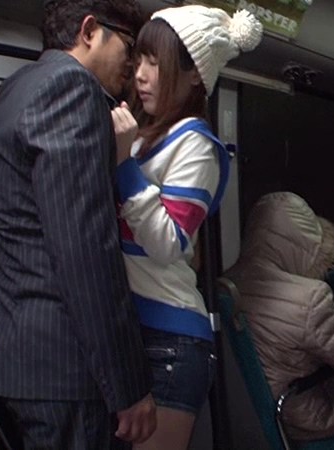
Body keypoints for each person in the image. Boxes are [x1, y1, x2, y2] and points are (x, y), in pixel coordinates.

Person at [0, 1, 156, 448]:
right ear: (89, 31)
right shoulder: (73, 88)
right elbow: (86, 251)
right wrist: (128, 385)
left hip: (23, 359)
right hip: (67, 367)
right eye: (128, 46)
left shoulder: (18, 86)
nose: (132, 65)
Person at [111, 5, 262, 450]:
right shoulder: (143, 136)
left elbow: (169, 243)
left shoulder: (196, 144)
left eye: (155, 63)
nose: (140, 74)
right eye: (139, 59)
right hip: (135, 328)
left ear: (194, 74)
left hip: (170, 337)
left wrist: (123, 167)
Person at [223, 192, 334, 449]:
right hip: (305, 417)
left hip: (251, 416)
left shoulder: (225, 287)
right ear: (303, 244)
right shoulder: (308, 296)